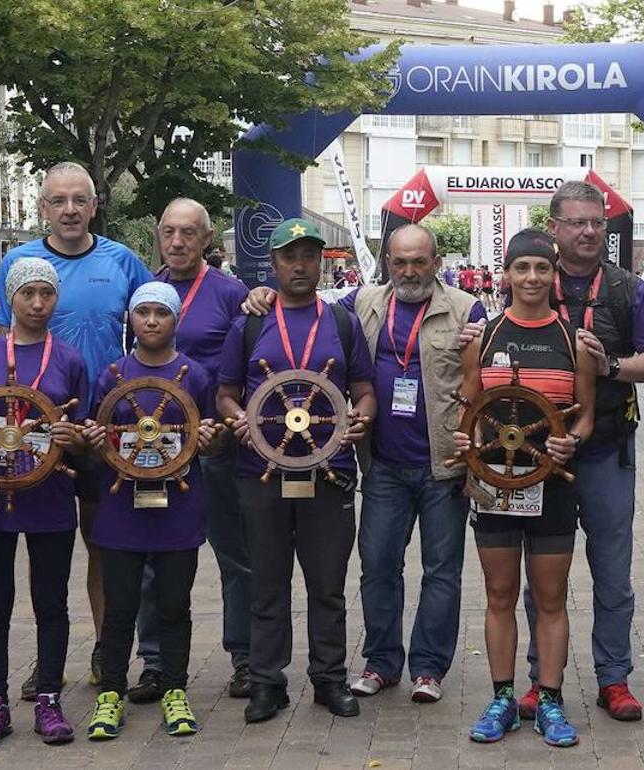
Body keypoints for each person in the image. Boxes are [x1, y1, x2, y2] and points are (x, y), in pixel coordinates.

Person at [0, 162, 154, 696]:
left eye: (80, 199)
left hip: (103, 428)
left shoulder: (123, 260)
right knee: (42, 548)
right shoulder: (17, 261)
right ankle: (48, 664)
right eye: (58, 201)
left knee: (105, 541)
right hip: (35, 434)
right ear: (43, 208)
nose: (70, 210)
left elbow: (158, 321)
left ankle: (108, 653)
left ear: (96, 204)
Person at [515, 181, 644, 723]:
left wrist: (612, 367)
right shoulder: (531, 279)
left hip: (606, 451)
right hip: (544, 457)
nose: (588, 232)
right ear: (553, 227)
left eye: (597, 223)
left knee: (612, 572)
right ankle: (540, 680)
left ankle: (614, 679)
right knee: (543, 577)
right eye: (577, 222)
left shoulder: (627, 290)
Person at [217, 218, 376, 724]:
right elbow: (224, 393)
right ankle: (268, 681)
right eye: (290, 257)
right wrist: (236, 418)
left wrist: (363, 418)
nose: (300, 265)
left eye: (309, 255)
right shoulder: (250, 325)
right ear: (275, 263)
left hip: (330, 472)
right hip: (258, 472)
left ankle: (329, 678)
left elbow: (364, 388)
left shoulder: (342, 323)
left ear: (320, 261)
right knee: (267, 581)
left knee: (328, 583)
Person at [453, 228, 595, 747]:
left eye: (540, 268)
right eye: (521, 268)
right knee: (498, 594)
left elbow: (585, 417)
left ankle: (551, 699)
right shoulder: (483, 337)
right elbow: (470, 410)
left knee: (552, 598)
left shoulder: (573, 341)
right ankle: (502, 698)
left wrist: (570, 445)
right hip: (494, 484)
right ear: (506, 274)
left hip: (552, 485)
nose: (531, 278)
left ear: (552, 274)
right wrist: (462, 437)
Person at [341, 224, 485, 703]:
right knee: (377, 564)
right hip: (382, 465)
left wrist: (484, 338)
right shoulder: (362, 304)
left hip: (443, 467)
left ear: (436, 262)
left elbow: (487, 378)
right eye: (399, 262)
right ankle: (381, 662)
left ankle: (429, 668)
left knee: (441, 570)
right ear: (387, 261)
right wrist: (257, 294)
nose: (408, 271)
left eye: (418, 261)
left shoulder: (467, 310)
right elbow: (305, 315)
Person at [124, 199, 255, 705]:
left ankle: (243, 657)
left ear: (206, 240)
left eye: (188, 233)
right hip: (155, 446)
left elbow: (248, 362)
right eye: (168, 231)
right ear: (159, 235)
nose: (176, 242)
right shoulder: (145, 292)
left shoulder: (232, 293)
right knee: (153, 558)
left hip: (214, 446)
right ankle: (155, 662)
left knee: (234, 556)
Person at [0, 258, 88, 749]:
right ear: (9, 298)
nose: (37, 303)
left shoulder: (71, 360)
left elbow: (85, 437)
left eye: (46, 294)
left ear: (56, 300)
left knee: (51, 603)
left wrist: (75, 436)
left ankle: (49, 698)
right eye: (27, 293)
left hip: (50, 496)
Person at [80, 283, 219, 740]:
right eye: (144, 313)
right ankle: (111, 694)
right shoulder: (112, 375)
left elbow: (211, 434)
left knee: (175, 605)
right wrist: (95, 443)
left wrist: (214, 438)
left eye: (162, 312)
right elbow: (94, 434)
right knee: (120, 606)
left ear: (176, 320)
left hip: (178, 507)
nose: (153, 320)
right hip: (122, 509)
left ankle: (175, 690)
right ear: (132, 321)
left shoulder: (195, 375)